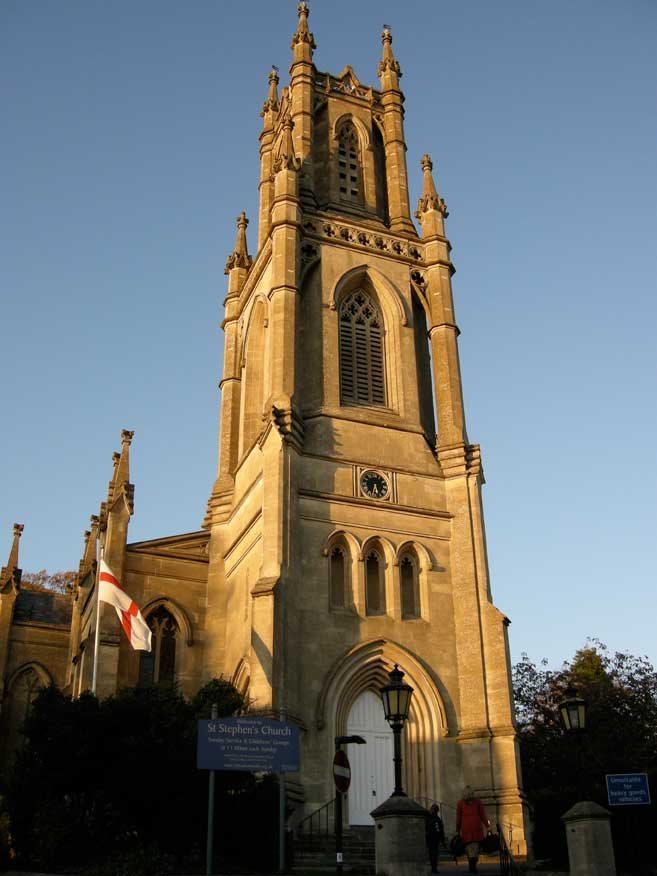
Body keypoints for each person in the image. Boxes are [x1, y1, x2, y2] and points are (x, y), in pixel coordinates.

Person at [456, 786, 490, 874]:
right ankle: (473, 866)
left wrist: (457, 828)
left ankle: (472, 866)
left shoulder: (460, 803)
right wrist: (487, 826)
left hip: (466, 828)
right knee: (475, 848)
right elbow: (482, 815)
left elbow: (458, 818)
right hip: (476, 827)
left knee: (469, 848)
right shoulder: (478, 802)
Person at [425, 802, 445, 873]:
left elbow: (441, 830)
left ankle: (434, 867)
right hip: (432, 838)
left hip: (433, 838)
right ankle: (434, 867)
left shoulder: (431, 818)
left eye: (433, 809)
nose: (432, 811)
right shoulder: (435, 819)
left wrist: (442, 839)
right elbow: (441, 830)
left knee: (433, 853)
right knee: (434, 853)